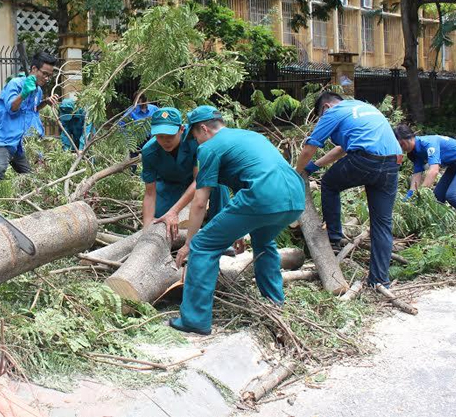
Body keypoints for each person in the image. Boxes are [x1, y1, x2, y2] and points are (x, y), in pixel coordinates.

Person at [171, 106, 305, 335]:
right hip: (294, 197)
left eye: (194, 136)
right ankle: (275, 305)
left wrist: (188, 243)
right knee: (264, 244)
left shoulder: (210, 147)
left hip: (262, 196)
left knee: (203, 246)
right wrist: (239, 231)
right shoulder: (250, 136)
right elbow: (251, 181)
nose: (196, 143)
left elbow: (200, 202)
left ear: (203, 129)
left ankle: (194, 320)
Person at [295, 92, 402, 288]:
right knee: (382, 225)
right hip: (392, 164)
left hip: (364, 160)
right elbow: (342, 149)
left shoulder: (332, 113)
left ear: (326, 107)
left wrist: (296, 172)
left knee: (328, 184)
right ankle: (379, 281)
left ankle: (334, 237)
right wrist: (314, 166)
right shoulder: (363, 106)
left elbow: (310, 147)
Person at [141, 107, 230, 240]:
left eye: (170, 136)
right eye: (160, 136)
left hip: (196, 180)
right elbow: (149, 193)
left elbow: (199, 179)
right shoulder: (149, 151)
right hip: (168, 185)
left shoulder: (194, 139)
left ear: (181, 129)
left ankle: (221, 232)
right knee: (161, 220)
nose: (166, 141)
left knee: (217, 183)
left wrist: (175, 211)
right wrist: (146, 228)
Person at [0, 51, 59, 179]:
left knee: (32, 176)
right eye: (44, 74)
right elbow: (11, 108)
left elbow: (32, 110)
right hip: (4, 140)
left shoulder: (37, 90)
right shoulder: (15, 84)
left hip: (20, 144)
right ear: (34, 69)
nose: (47, 78)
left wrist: (45, 102)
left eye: (49, 75)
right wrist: (24, 93)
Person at [393, 124, 456, 222]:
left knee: (453, 196)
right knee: (437, 198)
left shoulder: (428, 143)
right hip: (454, 165)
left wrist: (422, 193)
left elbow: (434, 171)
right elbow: (416, 176)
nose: (402, 148)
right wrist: (409, 196)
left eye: (402, 144)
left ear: (409, 137)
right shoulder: (414, 152)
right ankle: (441, 225)